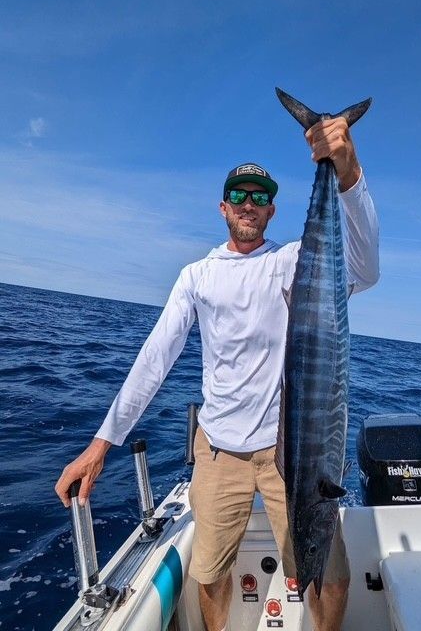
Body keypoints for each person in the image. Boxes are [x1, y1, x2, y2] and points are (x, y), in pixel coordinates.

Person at [55, 116, 379, 631]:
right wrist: (101, 443)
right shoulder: (197, 275)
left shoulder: (295, 263)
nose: (249, 202)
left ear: (272, 209)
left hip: (290, 454)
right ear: (224, 206)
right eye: (239, 194)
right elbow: (155, 356)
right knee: (208, 574)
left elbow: (365, 269)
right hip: (218, 452)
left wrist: (346, 170)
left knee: (329, 574)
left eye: (260, 195)